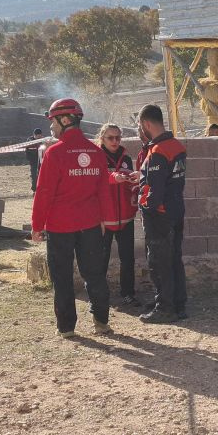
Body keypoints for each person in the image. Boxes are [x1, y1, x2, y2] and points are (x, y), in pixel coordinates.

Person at [30, 98, 113, 338]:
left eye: (53, 122)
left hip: (60, 227)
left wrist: (37, 226)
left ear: (65, 120)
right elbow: (104, 191)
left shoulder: (55, 153)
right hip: (90, 225)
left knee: (63, 276)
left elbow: (44, 193)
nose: (52, 127)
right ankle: (101, 322)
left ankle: (66, 328)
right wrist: (106, 220)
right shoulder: (96, 152)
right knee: (95, 273)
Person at [136, 105, 187, 323]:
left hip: (160, 214)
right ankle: (177, 303)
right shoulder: (176, 145)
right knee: (174, 258)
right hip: (176, 209)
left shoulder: (157, 152)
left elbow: (154, 192)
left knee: (159, 261)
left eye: (140, 126)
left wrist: (143, 204)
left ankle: (165, 308)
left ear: (146, 124)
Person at [97, 123, 140, 306]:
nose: (115, 141)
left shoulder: (126, 158)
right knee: (101, 259)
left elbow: (130, 186)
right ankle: (99, 295)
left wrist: (134, 179)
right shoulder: (96, 157)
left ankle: (128, 293)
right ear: (102, 139)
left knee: (128, 258)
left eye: (118, 137)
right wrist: (113, 178)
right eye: (110, 138)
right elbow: (94, 182)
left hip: (125, 217)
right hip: (104, 219)